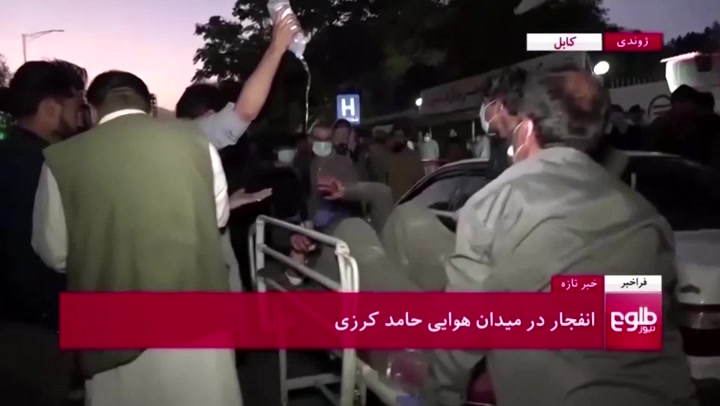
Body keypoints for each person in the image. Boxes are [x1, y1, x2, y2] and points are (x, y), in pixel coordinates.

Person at [426, 68, 696, 406]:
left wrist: (436, 394)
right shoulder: (643, 213)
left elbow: (463, 330)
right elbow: (633, 331)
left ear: (526, 128)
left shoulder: (493, 204)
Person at [31, 70, 242, 406]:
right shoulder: (196, 143)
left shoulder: (60, 159)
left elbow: (54, 251)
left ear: (92, 109)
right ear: (149, 105)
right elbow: (217, 218)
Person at [0, 60, 87, 406]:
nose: (82, 117)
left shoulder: (10, 154)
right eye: (77, 106)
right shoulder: (50, 167)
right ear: (52, 107)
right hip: (40, 331)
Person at [385, 122, 425, 201]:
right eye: (395, 137)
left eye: (400, 136)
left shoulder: (414, 157)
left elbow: (420, 183)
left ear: (406, 138)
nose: (397, 140)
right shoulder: (387, 156)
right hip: (391, 202)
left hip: (408, 202)